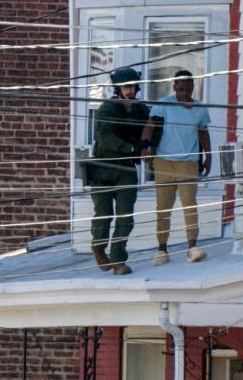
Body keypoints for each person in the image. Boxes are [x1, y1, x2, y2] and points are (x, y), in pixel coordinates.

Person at [140, 70, 212, 266]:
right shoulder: (164, 104)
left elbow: (204, 132)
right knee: (163, 207)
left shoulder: (199, 109)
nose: (184, 93)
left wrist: (208, 156)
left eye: (188, 89)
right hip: (163, 161)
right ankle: (162, 249)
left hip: (188, 162)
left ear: (192, 88)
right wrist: (144, 146)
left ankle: (192, 247)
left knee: (190, 204)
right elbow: (150, 125)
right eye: (180, 89)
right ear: (174, 88)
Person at [90, 67, 150, 275]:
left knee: (125, 216)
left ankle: (118, 259)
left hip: (126, 168)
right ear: (118, 87)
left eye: (132, 86)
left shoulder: (140, 109)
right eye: (125, 86)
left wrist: (147, 145)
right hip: (103, 166)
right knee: (104, 214)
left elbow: (151, 127)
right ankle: (98, 247)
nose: (129, 90)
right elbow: (104, 136)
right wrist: (131, 148)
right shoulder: (108, 108)